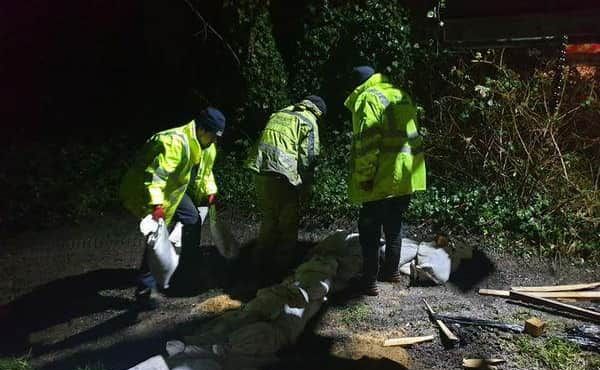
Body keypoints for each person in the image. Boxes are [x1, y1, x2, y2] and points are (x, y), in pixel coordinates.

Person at [120, 107, 226, 304]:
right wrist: (157, 204)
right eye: (213, 135)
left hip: (173, 190)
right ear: (202, 129)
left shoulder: (207, 146)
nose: (215, 141)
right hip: (147, 189)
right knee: (159, 235)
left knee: (192, 218)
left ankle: (186, 270)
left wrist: (210, 192)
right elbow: (156, 176)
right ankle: (145, 289)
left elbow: (206, 173)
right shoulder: (175, 142)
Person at [344, 66, 426, 296]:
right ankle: (391, 271)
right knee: (394, 223)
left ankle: (369, 281)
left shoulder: (368, 98)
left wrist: (365, 177)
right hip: (406, 174)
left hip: (382, 175)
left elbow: (367, 144)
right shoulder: (400, 94)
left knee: (369, 228)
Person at [246, 95, 327, 279]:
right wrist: (306, 186)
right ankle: (280, 272)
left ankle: (255, 266)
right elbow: (309, 158)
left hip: (260, 169)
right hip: (282, 174)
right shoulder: (309, 121)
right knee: (287, 223)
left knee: (269, 219)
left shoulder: (281, 112)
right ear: (318, 111)